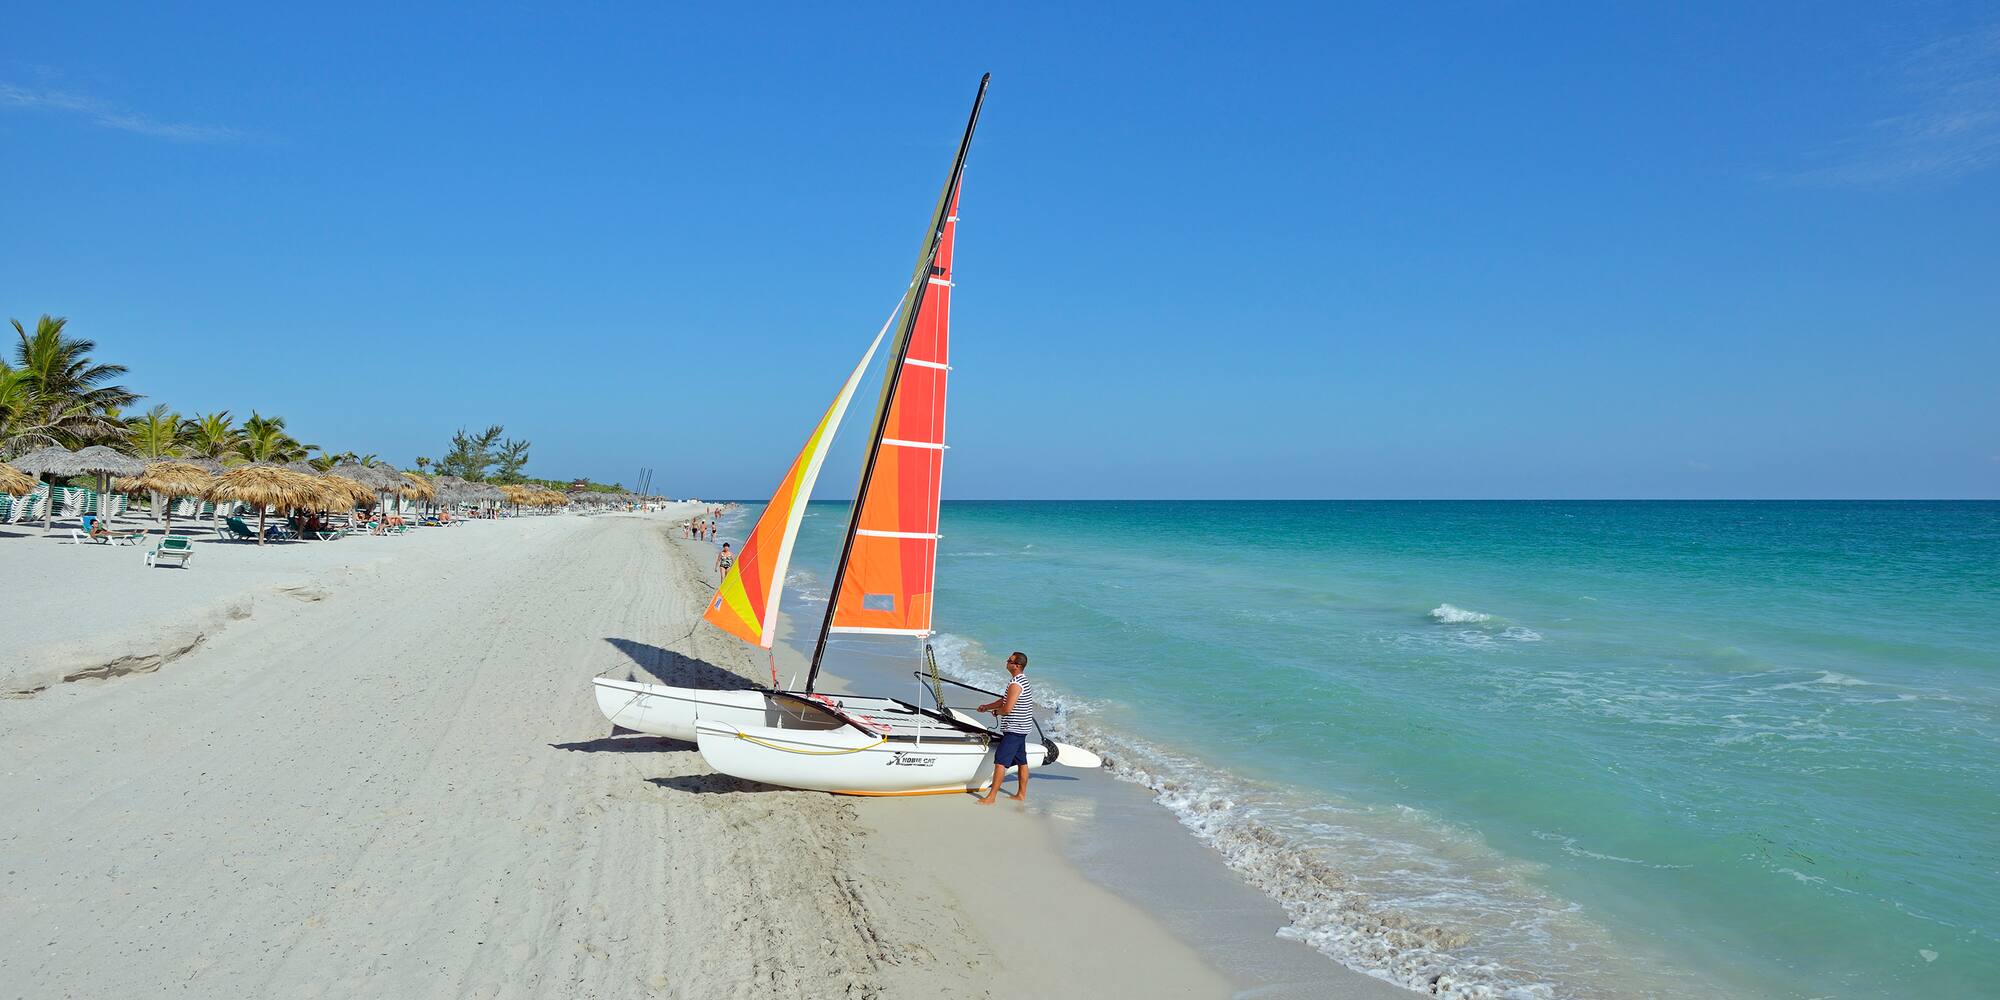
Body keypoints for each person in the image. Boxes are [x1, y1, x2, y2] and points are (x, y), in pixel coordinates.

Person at [974, 651, 1037, 804]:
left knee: (1000, 761)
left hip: (1015, 729)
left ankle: (991, 797)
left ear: (1017, 666)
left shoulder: (1016, 684)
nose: (1006, 662)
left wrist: (997, 712)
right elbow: (1004, 700)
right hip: (1022, 728)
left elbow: (1007, 708)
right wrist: (987, 707)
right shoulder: (1021, 680)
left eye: (1009, 660)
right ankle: (1021, 795)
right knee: (1022, 761)